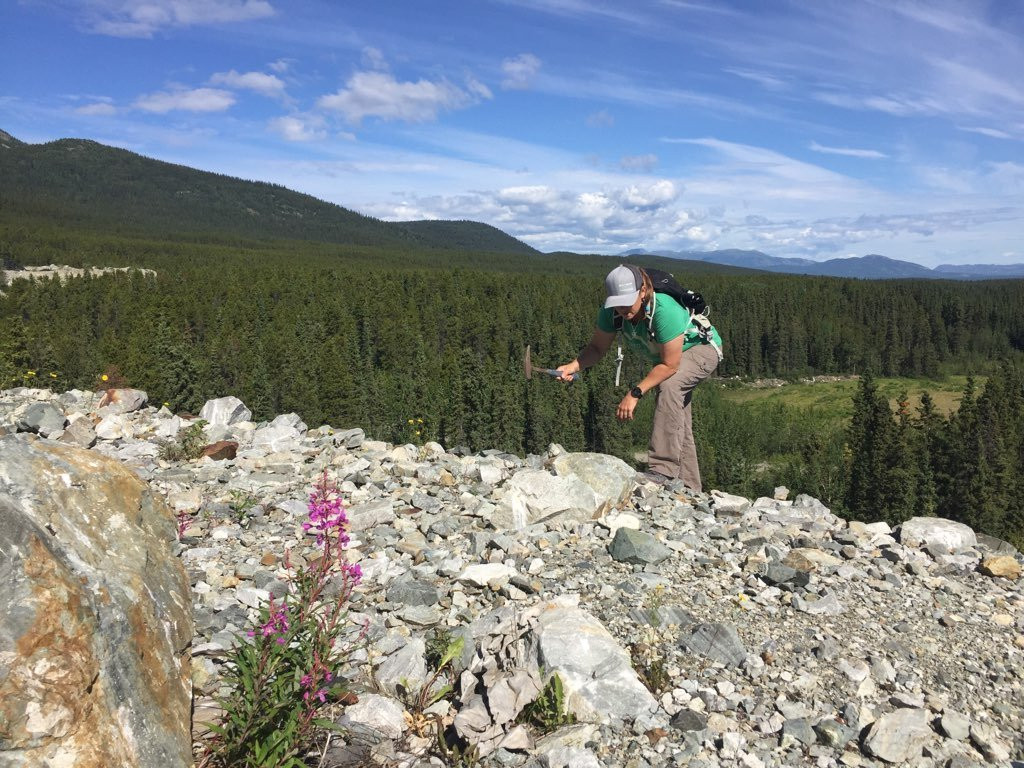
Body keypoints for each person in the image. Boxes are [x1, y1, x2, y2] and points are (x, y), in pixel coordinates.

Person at [555, 264, 723, 491]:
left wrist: (635, 393)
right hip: (669, 359)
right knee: (677, 418)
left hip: (700, 350)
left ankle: (662, 470)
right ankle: (690, 488)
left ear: (643, 291)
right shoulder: (611, 312)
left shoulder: (665, 310)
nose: (623, 309)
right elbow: (596, 348)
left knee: (670, 386)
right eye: (617, 303)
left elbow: (670, 365)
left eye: (627, 300)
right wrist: (574, 366)